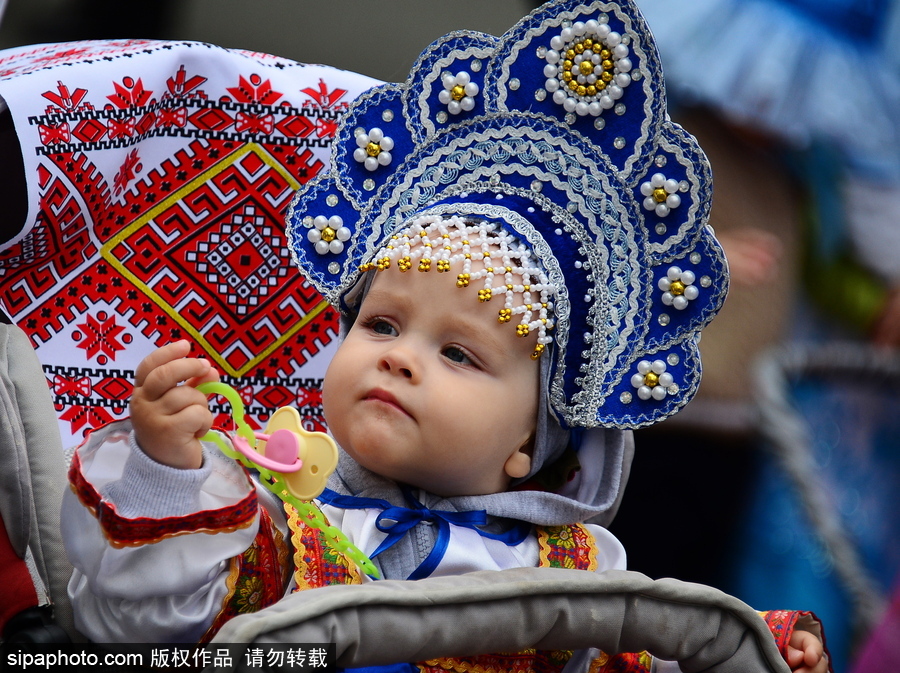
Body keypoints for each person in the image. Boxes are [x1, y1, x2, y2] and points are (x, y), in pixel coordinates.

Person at [61, 1, 830, 671]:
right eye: (381, 324)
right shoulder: (273, 514)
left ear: (529, 442)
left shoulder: (572, 578)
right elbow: (139, 628)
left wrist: (765, 647)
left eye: (458, 353)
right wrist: (165, 472)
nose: (398, 356)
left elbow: (657, 651)